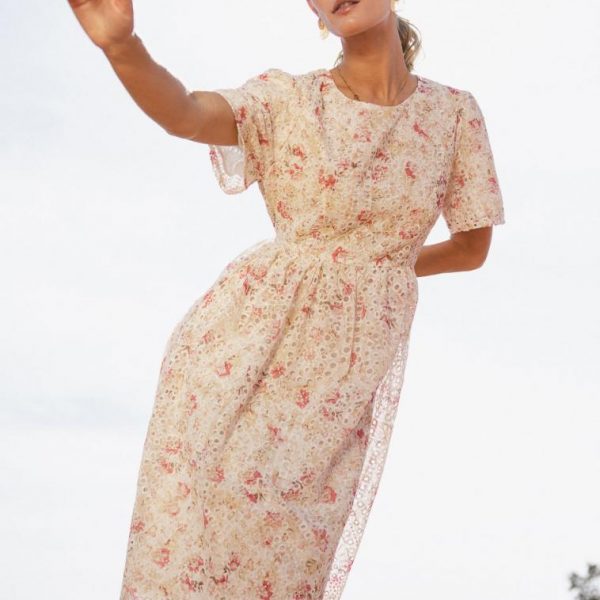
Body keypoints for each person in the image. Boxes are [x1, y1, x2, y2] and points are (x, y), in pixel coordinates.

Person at [67, 0, 506, 598]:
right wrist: (123, 47)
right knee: (199, 538)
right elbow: (186, 113)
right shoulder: (288, 100)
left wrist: (376, 270)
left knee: (290, 557)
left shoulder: (453, 114)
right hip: (240, 350)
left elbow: (472, 246)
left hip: (342, 378)